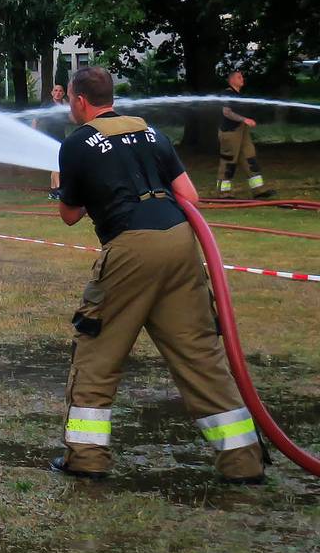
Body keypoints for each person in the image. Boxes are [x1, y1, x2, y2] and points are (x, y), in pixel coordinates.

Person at [52, 67, 264, 483]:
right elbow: (189, 196)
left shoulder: (76, 143)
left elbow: (70, 215)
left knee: (97, 351)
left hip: (131, 248)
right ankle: (244, 461)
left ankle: (87, 457)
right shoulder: (153, 134)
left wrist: (59, 183)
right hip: (181, 242)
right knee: (199, 353)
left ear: (78, 100)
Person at [216, 71, 274, 199]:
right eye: (239, 77)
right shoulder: (227, 94)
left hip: (242, 131)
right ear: (231, 80)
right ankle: (223, 192)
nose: (242, 79)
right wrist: (244, 119)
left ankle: (259, 190)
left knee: (250, 159)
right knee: (229, 161)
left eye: (242, 76)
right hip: (230, 132)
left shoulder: (238, 95)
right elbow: (227, 112)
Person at [31, 83, 71, 199]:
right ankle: (58, 191)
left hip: (61, 138)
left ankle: (53, 192)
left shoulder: (63, 106)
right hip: (51, 137)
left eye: (60, 91)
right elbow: (35, 119)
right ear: (52, 93)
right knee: (57, 165)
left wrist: (66, 104)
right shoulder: (47, 105)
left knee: (55, 165)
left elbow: (72, 116)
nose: (58, 93)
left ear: (63, 93)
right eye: (56, 90)